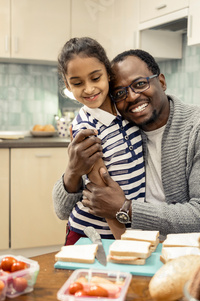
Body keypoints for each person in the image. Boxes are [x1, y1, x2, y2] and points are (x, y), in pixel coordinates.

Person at [53, 49, 200, 244]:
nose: (132, 97)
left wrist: (125, 208)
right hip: (140, 247)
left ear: (161, 81)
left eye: (140, 84)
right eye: (120, 93)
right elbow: (62, 210)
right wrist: (73, 171)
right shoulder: (123, 130)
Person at [56, 38, 146, 245]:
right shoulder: (86, 129)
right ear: (67, 84)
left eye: (95, 78)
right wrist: (126, 243)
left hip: (126, 228)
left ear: (108, 73)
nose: (88, 89)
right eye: (77, 83)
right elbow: (102, 195)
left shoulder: (125, 108)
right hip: (93, 235)